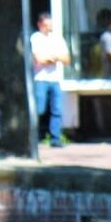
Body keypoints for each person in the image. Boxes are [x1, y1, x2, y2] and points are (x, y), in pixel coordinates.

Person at [30, 11, 70, 147]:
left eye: (51, 25)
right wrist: (53, 58)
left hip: (55, 79)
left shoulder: (58, 39)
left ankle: (55, 138)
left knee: (57, 109)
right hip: (40, 78)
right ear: (40, 25)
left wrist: (53, 58)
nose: (50, 28)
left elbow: (66, 59)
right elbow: (39, 59)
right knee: (39, 108)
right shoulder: (35, 38)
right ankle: (34, 136)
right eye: (47, 25)